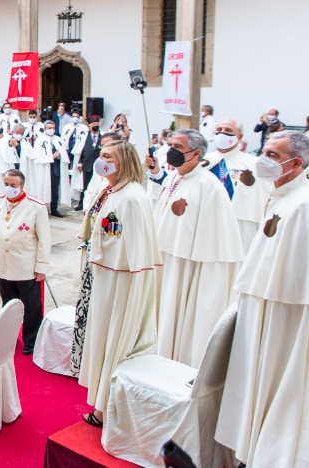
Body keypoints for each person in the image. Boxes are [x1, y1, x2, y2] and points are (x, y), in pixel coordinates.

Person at [215, 131, 309, 467]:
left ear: (295, 163)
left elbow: (299, 277)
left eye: (272, 155)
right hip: (262, 303)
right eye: (264, 151)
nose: (262, 159)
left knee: (274, 382)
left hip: (285, 314)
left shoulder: (304, 204)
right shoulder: (281, 195)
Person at [77, 140, 162, 427]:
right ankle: (100, 401)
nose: (101, 160)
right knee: (102, 338)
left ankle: (106, 408)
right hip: (105, 276)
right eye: (101, 155)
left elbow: (133, 246)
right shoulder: (111, 190)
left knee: (114, 339)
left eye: (107, 156)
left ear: (123, 162)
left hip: (120, 281)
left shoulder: (132, 197)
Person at [145, 129, 244, 367]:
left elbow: (216, 240)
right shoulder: (175, 176)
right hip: (166, 257)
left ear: (196, 153)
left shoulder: (209, 186)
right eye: (170, 145)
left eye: (178, 147)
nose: (171, 151)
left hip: (186, 264)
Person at [0, 169, 51, 355]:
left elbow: (44, 240)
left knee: (31, 307)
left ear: (22, 185)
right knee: (8, 305)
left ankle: (31, 340)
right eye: (6, 184)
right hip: (4, 264)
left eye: (13, 185)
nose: (9, 188)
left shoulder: (36, 206)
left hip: (26, 266)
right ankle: (8, 337)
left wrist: (41, 267)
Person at [203, 119, 270, 249]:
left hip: (239, 222)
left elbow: (264, 193)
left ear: (239, 136)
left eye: (228, 130)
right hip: (207, 217)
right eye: (219, 130)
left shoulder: (254, 164)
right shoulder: (203, 161)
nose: (222, 133)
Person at [75, 116, 104, 209]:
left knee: (98, 184)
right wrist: (79, 163)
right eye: (93, 124)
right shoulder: (84, 137)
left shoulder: (102, 137)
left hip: (99, 165)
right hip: (87, 164)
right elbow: (79, 150)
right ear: (89, 126)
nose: (95, 125)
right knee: (85, 185)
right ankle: (82, 204)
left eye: (97, 124)